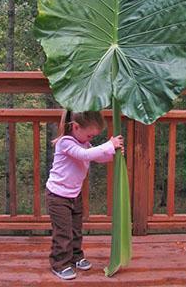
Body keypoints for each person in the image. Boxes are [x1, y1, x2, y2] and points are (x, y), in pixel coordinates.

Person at [46, 110, 124, 280]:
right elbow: (85, 155)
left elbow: (94, 156)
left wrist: (113, 155)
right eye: (89, 135)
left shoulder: (84, 143)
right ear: (75, 127)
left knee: (75, 228)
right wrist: (108, 144)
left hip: (74, 194)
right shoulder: (65, 142)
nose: (91, 139)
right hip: (58, 196)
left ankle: (75, 256)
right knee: (63, 232)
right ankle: (59, 263)